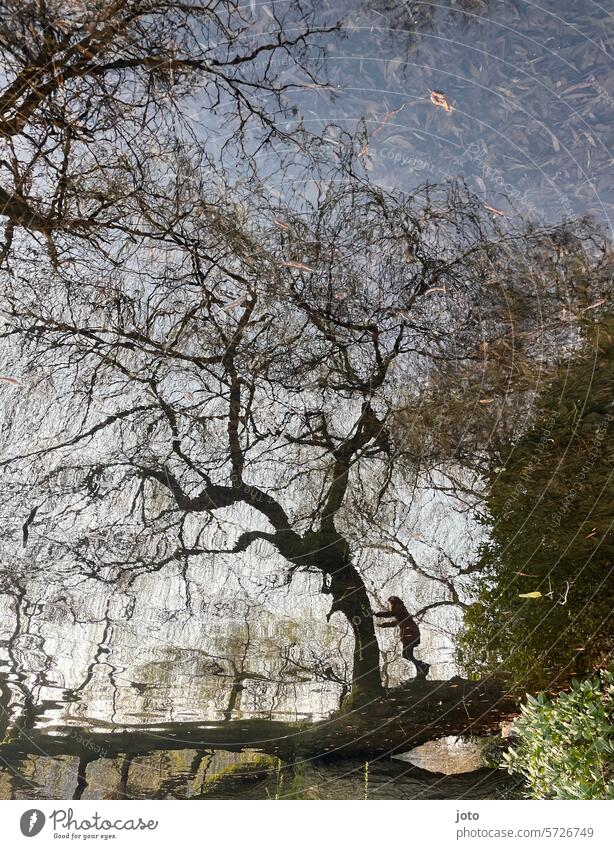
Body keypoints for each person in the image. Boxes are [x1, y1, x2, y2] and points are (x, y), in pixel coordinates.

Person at [373, 595, 430, 678]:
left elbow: (390, 614)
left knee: (407, 654)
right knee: (406, 654)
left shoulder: (399, 609)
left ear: (393, 603)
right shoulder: (401, 612)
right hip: (409, 635)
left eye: (390, 604)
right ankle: (421, 667)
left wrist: (376, 614)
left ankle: (422, 667)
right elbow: (396, 622)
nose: (389, 606)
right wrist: (383, 625)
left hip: (411, 635)